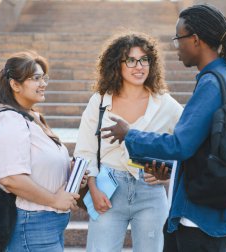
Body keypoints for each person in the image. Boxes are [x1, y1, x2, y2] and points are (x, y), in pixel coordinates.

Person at [101, 4, 226, 252]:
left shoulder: (212, 85)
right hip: (212, 209)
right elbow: (207, 150)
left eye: (178, 39)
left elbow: (180, 145)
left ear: (195, 40)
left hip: (198, 218)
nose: (176, 47)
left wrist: (131, 135)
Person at [74, 32, 183, 252]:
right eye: (131, 60)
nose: (139, 66)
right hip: (107, 189)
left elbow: (185, 144)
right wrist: (93, 189)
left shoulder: (164, 103)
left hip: (150, 192)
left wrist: (166, 172)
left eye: (144, 60)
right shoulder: (100, 101)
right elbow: (85, 150)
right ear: (117, 64)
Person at [0, 51, 86, 252]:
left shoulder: (31, 118)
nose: (43, 84)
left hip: (48, 223)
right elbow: (11, 178)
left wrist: (71, 175)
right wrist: (55, 199)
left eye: (44, 78)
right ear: (15, 84)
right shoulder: (9, 121)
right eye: (35, 79)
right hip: (32, 224)